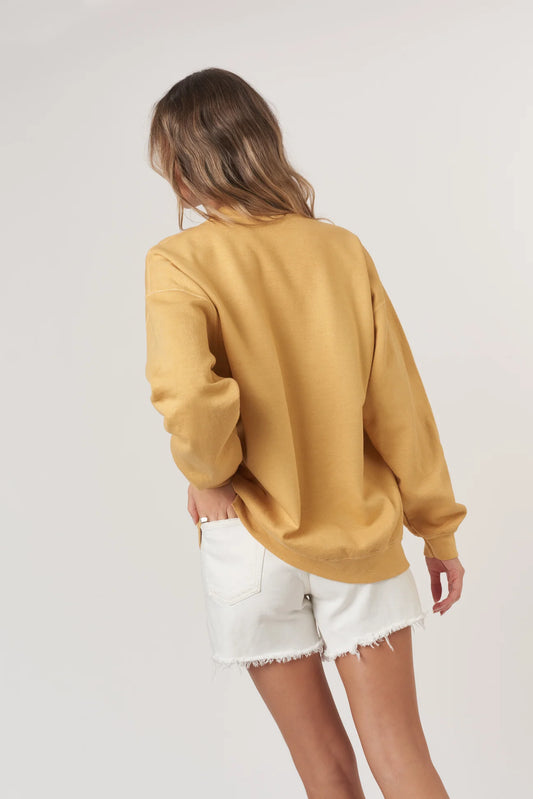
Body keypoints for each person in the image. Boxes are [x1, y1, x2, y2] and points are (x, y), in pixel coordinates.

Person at [144, 67, 467, 799]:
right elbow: (398, 405)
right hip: (357, 530)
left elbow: (188, 394)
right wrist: (437, 528)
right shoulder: (339, 250)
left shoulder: (177, 261)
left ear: (185, 165)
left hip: (246, 535)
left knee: (323, 770)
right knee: (402, 758)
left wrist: (209, 474)